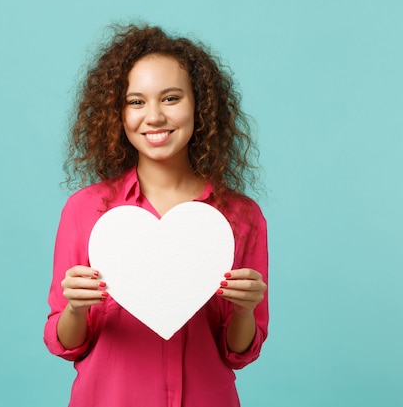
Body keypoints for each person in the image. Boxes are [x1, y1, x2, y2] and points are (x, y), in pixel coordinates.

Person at [44, 23, 268, 407]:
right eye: (136, 102)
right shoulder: (86, 210)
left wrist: (245, 310)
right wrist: (77, 308)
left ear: (200, 105)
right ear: (117, 113)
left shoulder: (241, 217)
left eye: (170, 98)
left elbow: (239, 352)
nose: (154, 117)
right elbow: (65, 343)